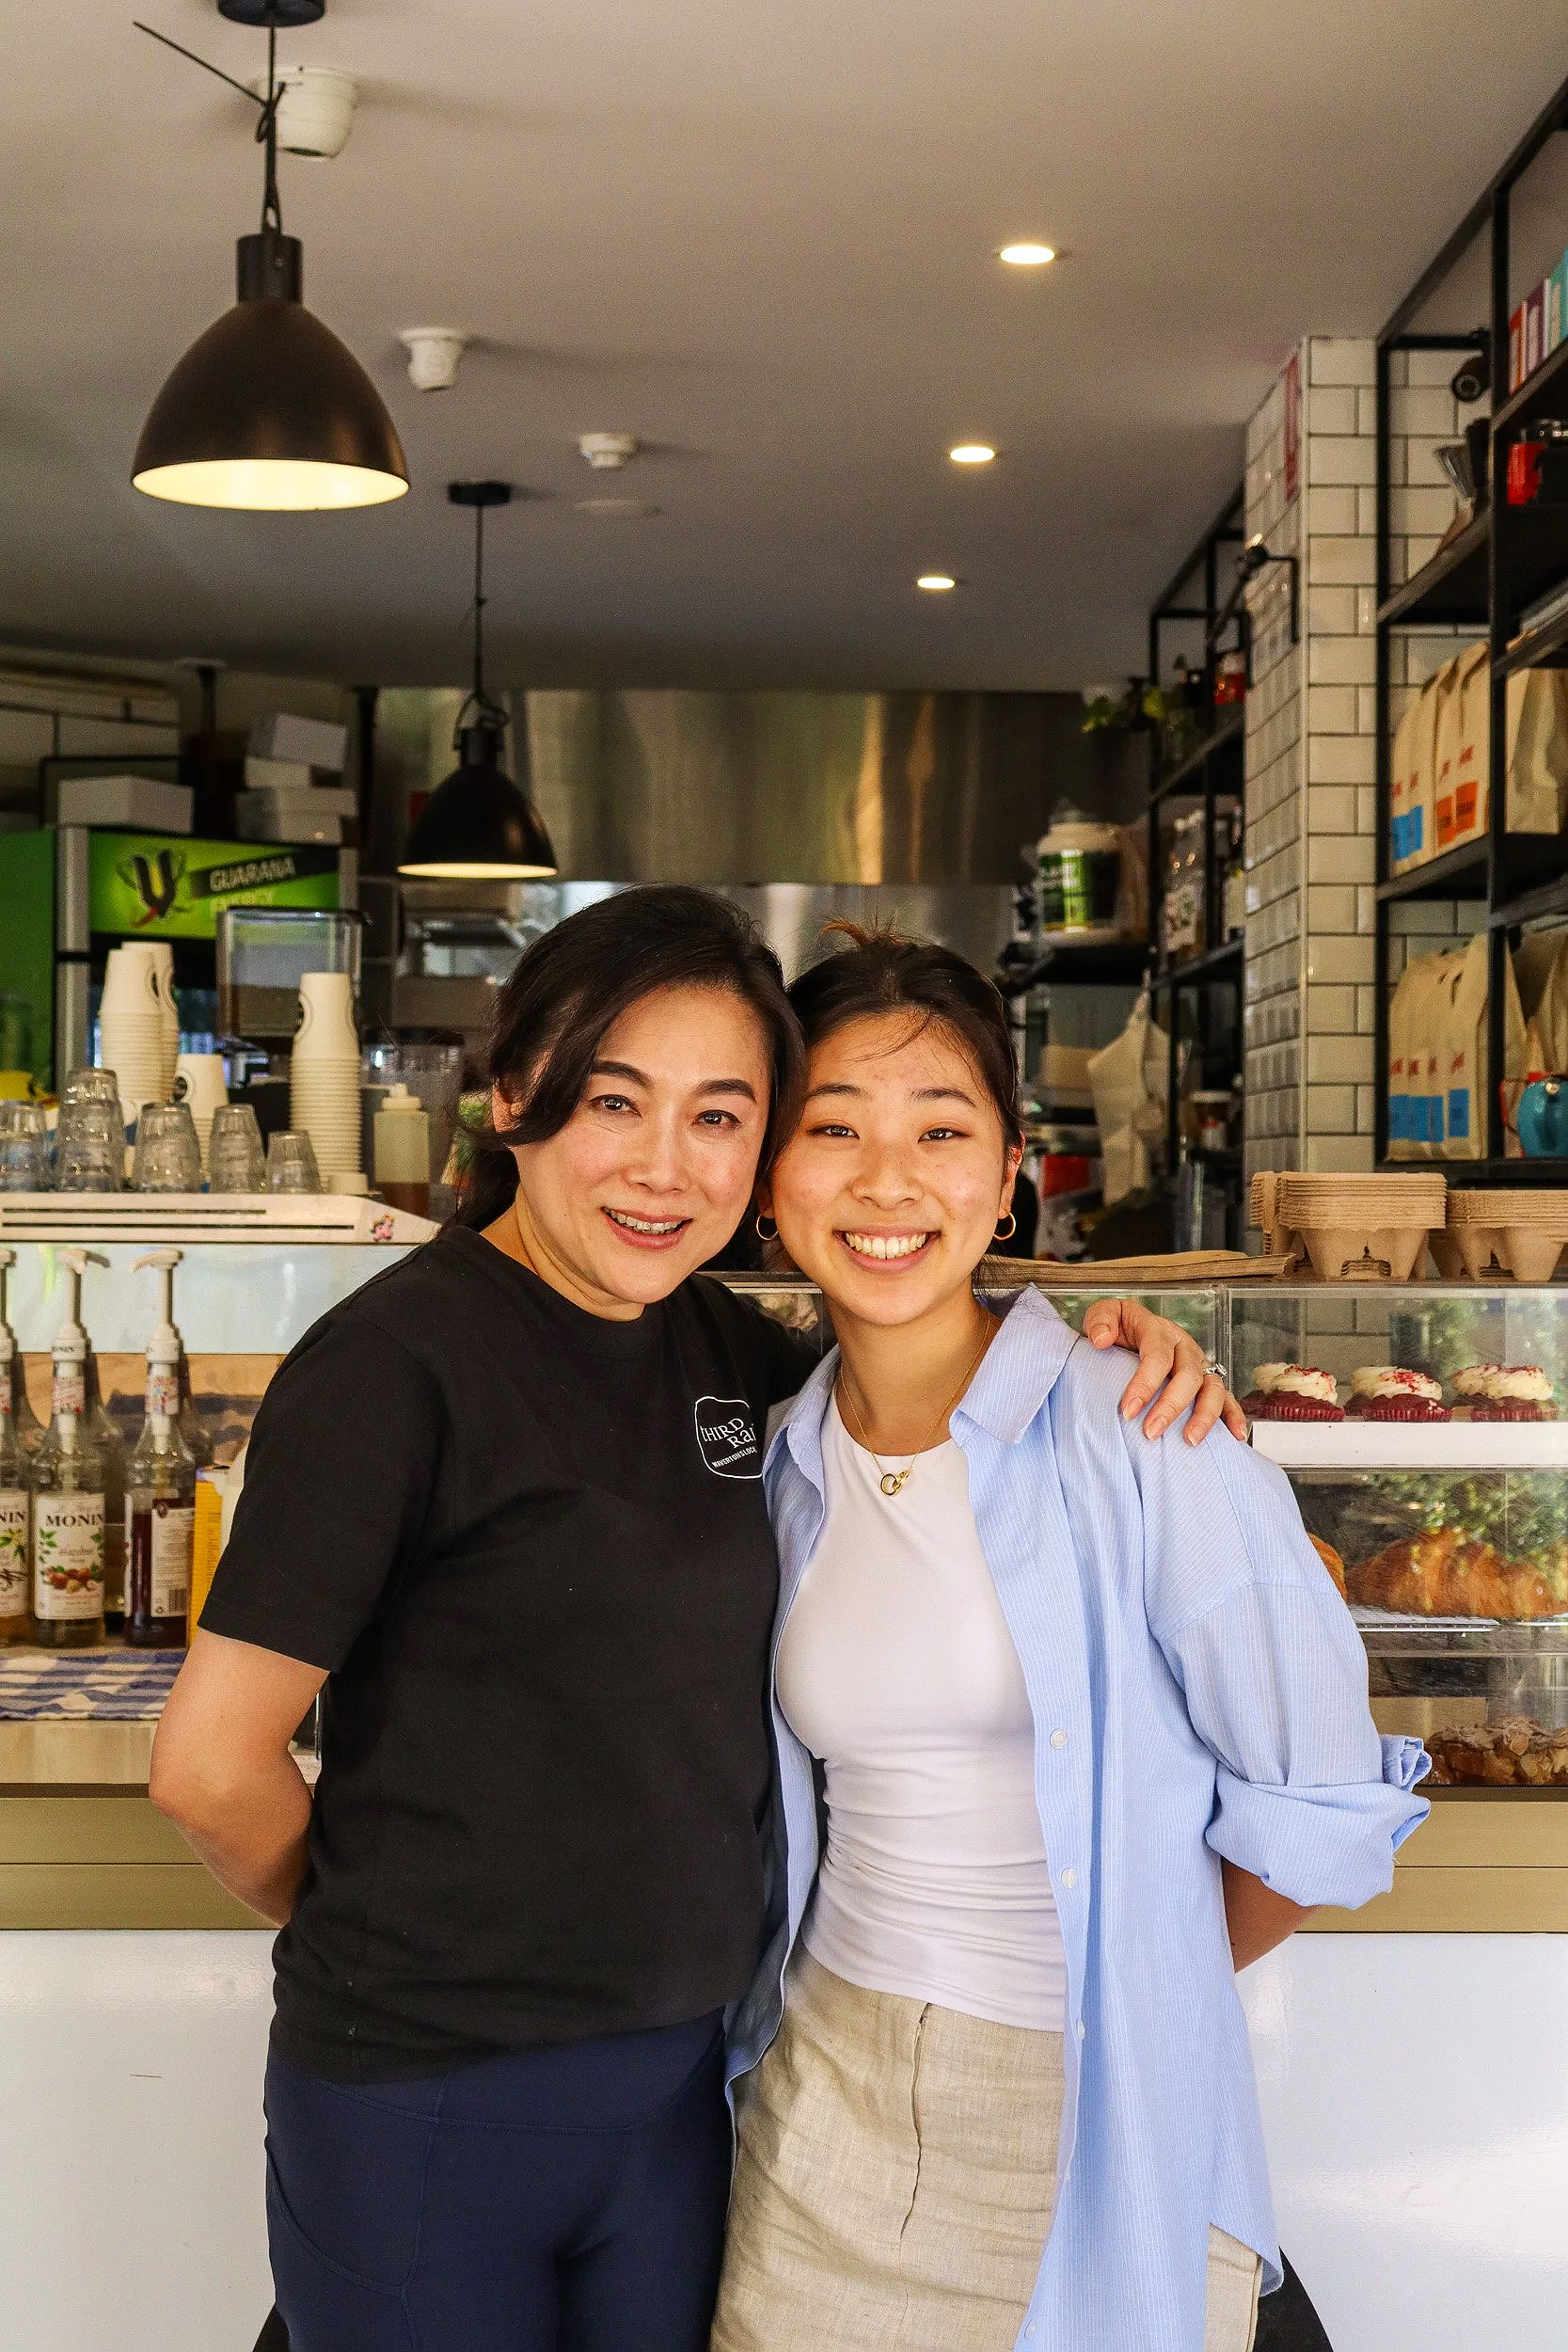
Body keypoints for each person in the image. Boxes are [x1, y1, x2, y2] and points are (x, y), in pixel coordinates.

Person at [150, 886, 1240, 2352]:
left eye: (720, 1116)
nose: (664, 1165)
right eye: (615, 1101)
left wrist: (1115, 1337)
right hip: (426, 2095)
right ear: (513, 1095)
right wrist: (400, 1933)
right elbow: (208, 1768)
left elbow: (922, 1353)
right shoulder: (394, 1367)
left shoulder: (729, 1352)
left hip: (680, 2093)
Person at [712, 928, 1431, 2352]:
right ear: (770, 1178)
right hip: (822, 2114)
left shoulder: (1145, 1432)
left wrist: (1136, 1989)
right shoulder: (779, 1458)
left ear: (1005, 1178)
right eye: (833, 1127)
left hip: (1094, 2127)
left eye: (941, 1129)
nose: (887, 1181)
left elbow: (1315, 1809)